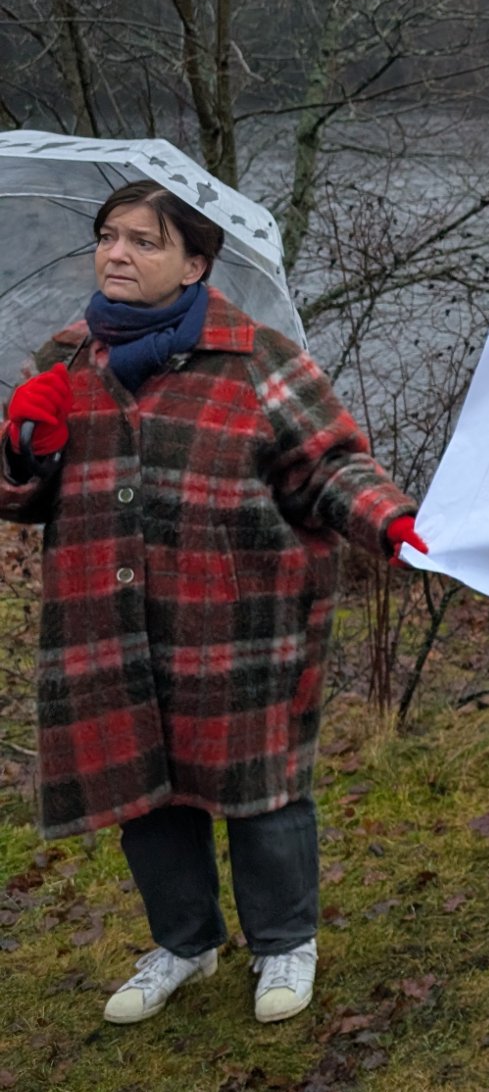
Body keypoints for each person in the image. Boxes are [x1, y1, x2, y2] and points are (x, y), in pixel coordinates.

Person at [0, 181, 425, 1026]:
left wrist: (396, 523)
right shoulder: (63, 361)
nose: (116, 253)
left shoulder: (259, 358)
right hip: (105, 626)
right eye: (108, 235)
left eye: (143, 242)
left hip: (239, 625)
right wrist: (23, 444)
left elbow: (332, 466)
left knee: (261, 794)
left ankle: (284, 943)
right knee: (144, 795)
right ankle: (185, 943)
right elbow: (22, 497)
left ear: (195, 263)